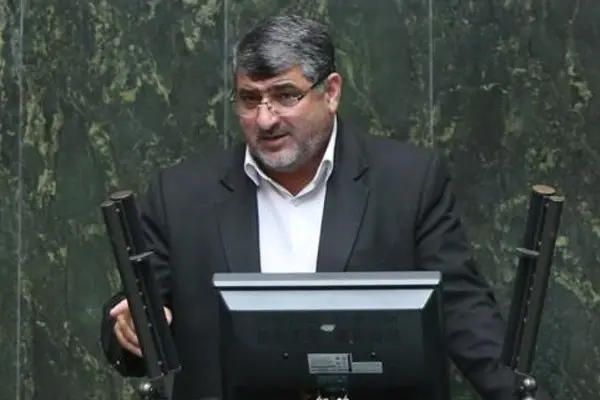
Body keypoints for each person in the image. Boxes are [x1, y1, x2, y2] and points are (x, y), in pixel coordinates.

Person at [100, 14, 537, 400]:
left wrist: (518, 393)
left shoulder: (408, 184)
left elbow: (463, 311)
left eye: (285, 96)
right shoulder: (181, 196)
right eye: (249, 99)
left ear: (331, 92)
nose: (265, 119)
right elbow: (132, 312)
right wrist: (131, 329)